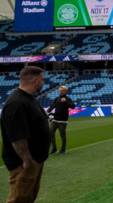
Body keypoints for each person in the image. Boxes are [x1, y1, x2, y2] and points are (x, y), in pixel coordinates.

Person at [1, 66, 49, 203]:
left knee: (28, 198)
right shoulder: (16, 103)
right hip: (23, 164)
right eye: (42, 79)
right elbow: (17, 138)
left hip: (34, 160)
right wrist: (27, 160)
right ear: (35, 80)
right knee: (18, 199)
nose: (43, 82)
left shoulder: (28, 99)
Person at [47, 85, 75, 154]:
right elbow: (52, 106)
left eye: (62, 90)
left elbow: (73, 106)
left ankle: (63, 149)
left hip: (63, 121)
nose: (61, 92)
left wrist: (66, 102)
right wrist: (47, 111)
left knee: (62, 135)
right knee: (50, 133)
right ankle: (54, 148)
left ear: (65, 91)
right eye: (60, 90)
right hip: (55, 119)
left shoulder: (68, 99)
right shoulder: (57, 98)